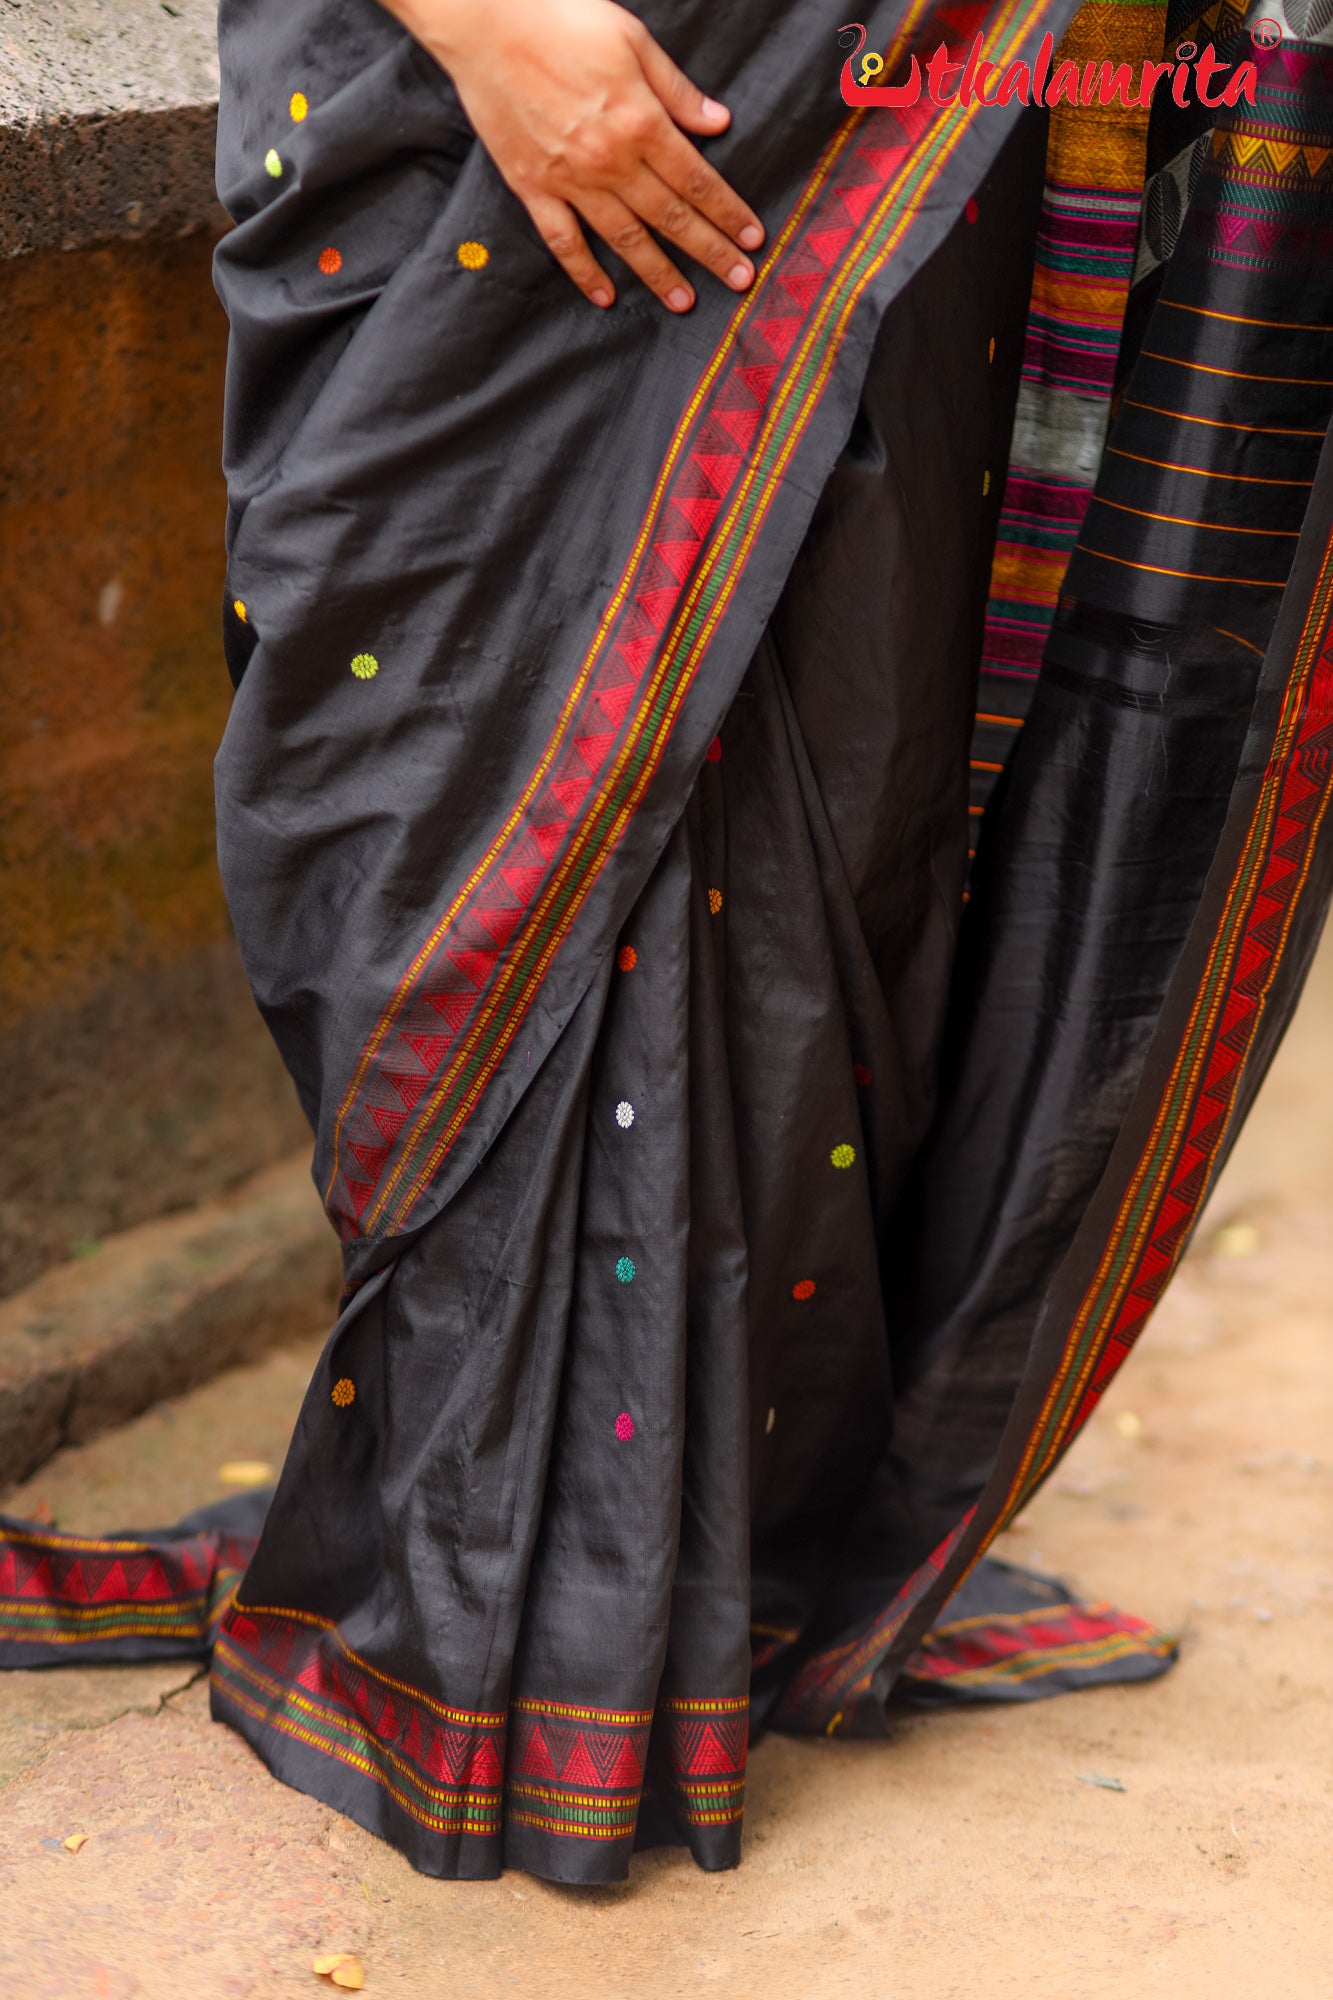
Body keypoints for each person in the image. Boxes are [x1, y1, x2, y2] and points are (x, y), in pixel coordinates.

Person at [3, 0, 1332, 1888]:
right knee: (462, 794)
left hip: (894, 113)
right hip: (497, 102)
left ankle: (716, 1558)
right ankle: (529, 1571)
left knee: (838, 801)